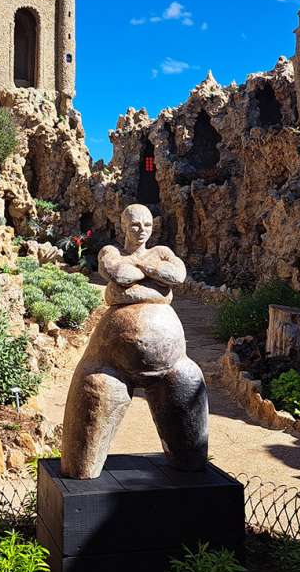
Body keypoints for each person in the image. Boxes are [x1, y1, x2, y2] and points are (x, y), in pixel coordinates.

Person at [60, 204, 209, 479]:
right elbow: (119, 274)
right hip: (107, 366)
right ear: (123, 227)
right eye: (136, 225)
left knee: (192, 463)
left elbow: (177, 275)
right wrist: (152, 273)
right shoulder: (111, 252)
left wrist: (140, 265)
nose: (142, 231)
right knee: (80, 468)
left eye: (148, 225)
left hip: (172, 365)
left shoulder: (162, 252)